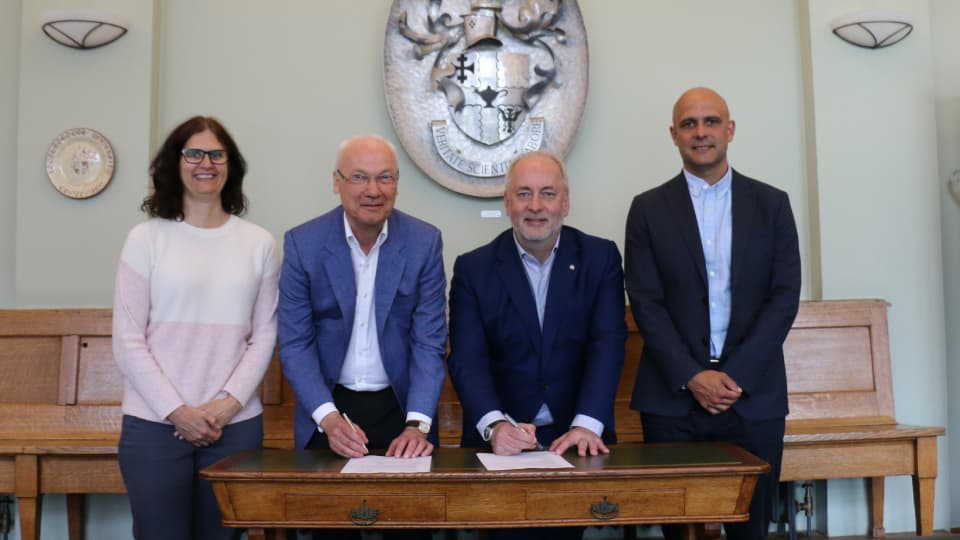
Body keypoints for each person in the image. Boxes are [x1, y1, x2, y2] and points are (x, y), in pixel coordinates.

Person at [624, 87, 801, 540]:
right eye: (689, 124)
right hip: (673, 397)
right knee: (678, 528)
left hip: (754, 396)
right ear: (674, 135)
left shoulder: (772, 204)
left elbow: (783, 296)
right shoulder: (646, 209)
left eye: (710, 121)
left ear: (730, 130)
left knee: (752, 527)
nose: (700, 132)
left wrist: (735, 375)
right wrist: (693, 375)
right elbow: (646, 300)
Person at [112, 116, 279, 540]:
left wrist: (226, 405)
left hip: (234, 425)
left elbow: (265, 335)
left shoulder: (260, 243)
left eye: (217, 154)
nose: (206, 163)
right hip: (155, 424)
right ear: (176, 163)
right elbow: (128, 340)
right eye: (194, 153)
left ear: (231, 165)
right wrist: (178, 412)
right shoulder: (145, 239)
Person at [448, 151, 626, 540]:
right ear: (507, 202)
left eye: (547, 194)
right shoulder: (473, 269)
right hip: (502, 444)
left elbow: (608, 345)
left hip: (577, 438)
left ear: (565, 202)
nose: (535, 206)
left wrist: (586, 425)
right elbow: (467, 360)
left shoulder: (600, 258)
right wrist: (495, 426)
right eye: (523, 194)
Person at [278, 135, 446, 460]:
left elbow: (429, 342)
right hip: (326, 406)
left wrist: (418, 424)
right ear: (336, 182)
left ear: (396, 183)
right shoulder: (303, 244)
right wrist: (328, 418)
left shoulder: (423, 243)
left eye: (385, 177)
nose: (373, 190)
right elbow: (295, 342)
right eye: (359, 177)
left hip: (403, 408)